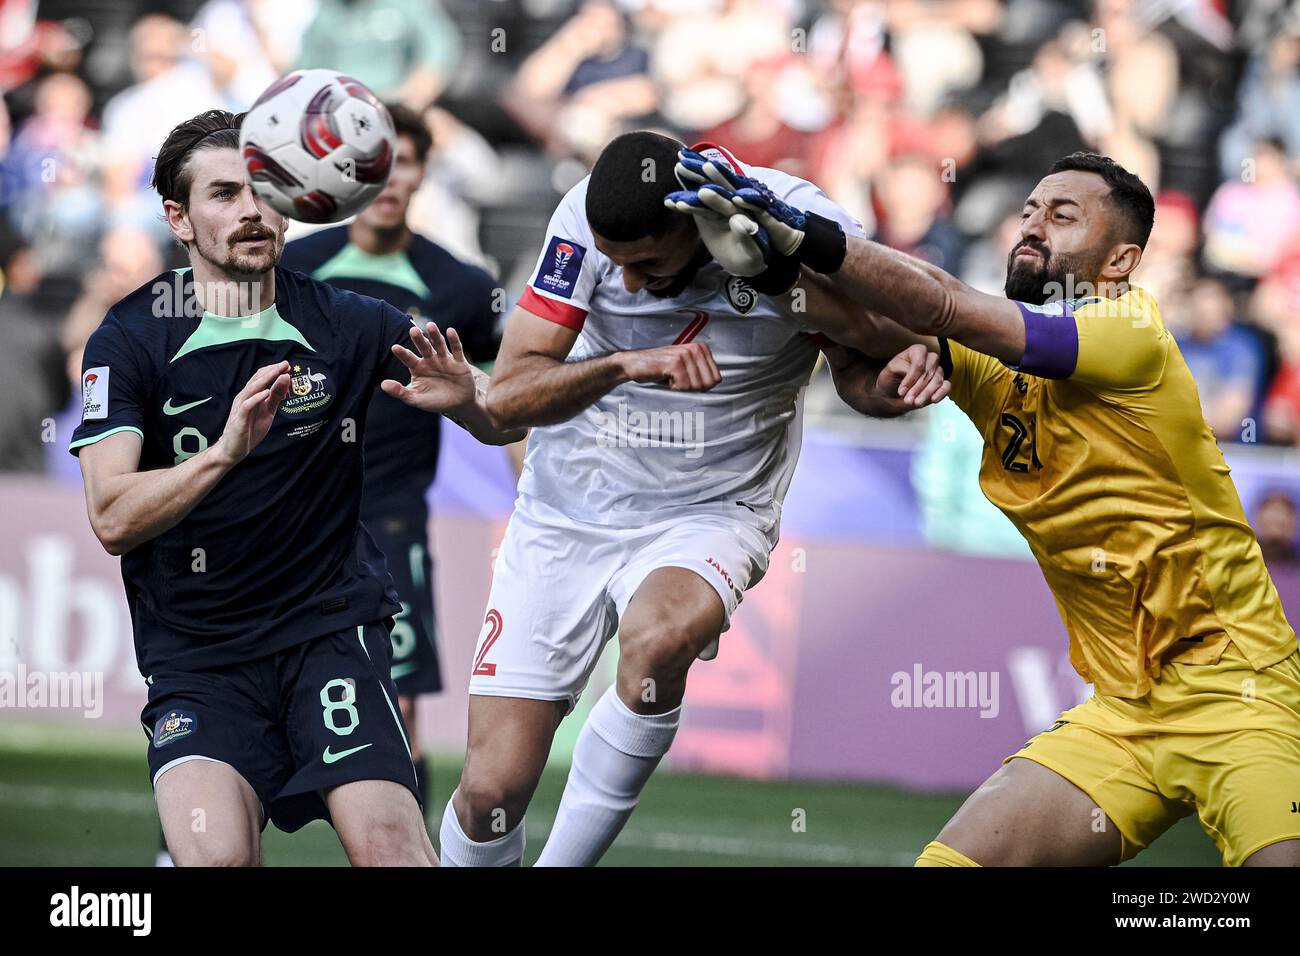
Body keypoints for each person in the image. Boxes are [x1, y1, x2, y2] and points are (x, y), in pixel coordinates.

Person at [670, 148, 1300, 866]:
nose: (1033, 226)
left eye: (1063, 216)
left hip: (1240, 692)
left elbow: (941, 301)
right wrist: (770, 271)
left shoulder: (1131, 335)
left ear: (1122, 260)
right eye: (1029, 210)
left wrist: (803, 233)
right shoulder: (990, 355)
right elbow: (864, 340)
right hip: (1126, 711)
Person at [437, 131, 948, 867]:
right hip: (567, 509)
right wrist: (623, 365)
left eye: (649, 263)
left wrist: (883, 379)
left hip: (712, 508)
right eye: (622, 268)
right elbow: (512, 398)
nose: (634, 285)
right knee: (491, 792)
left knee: (659, 642)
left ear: (693, 221)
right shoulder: (582, 217)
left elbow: (864, 366)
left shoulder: (804, 222)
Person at [69, 108, 522, 867]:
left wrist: (474, 402)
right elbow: (112, 517)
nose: (250, 210)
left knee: (394, 852)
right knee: (216, 861)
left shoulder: (349, 321)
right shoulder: (129, 338)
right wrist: (222, 455)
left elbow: (503, 419)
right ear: (178, 218)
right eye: (222, 195)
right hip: (198, 658)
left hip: (329, 634)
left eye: (263, 190)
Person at [281, 103, 507, 811]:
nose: (386, 177)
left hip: (391, 521)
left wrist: (532, 491)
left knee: (397, 710)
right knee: (254, 705)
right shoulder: (294, 267)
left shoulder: (462, 288)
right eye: (370, 162)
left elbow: (508, 402)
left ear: (420, 172)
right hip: (285, 519)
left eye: (401, 161)